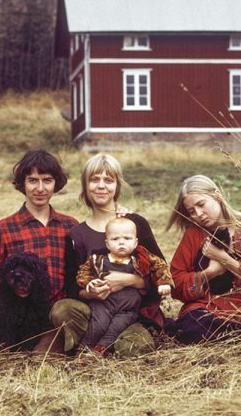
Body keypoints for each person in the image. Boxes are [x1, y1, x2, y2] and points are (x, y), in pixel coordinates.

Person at [50, 153, 169, 357]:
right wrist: (90, 292)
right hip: (96, 312)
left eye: (108, 180)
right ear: (85, 185)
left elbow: (160, 276)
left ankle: (109, 346)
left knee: (134, 346)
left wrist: (129, 280)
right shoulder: (76, 234)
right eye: (94, 179)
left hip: (132, 314)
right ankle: (91, 343)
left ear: (117, 185)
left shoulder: (135, 224)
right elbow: (71, 287)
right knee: (62, 309)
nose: (101, 186)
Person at [0, 149, 77, 351]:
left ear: (56, 183)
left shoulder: (70, 227)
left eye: (47, 180)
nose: (40, 188)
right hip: (13, 318)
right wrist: (11, 284)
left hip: (53, 319)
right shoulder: (2, 229)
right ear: (22, 183)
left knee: (41, 360)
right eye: (32, 181)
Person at [167, 175, 241, 344]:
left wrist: (224, 260)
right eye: (192, 211)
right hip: (204, 310)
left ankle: (240, 333)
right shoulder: (193, 235)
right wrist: (210, 273)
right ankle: (235, 335)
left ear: (217, 195)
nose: (198, 214)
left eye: (201, 204)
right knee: (194, 327)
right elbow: (175, 283)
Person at [76, 216, 173, 355]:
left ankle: (100, 350)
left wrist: (163, 282)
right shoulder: (98, 259)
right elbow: (83, 271)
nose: (121, 242)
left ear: (135, 242)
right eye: (115, 239)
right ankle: (83, 349)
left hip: (128, 308)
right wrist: (89, 282)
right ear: (107, 244)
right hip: (104, 304)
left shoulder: (141, 258)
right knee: (98, 325)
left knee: (116, 327)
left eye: (127, 238)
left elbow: (160, 266)